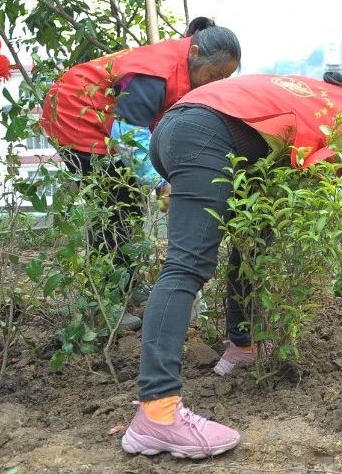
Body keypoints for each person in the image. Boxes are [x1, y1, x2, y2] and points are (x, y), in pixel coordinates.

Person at [121, 70, 342, 459]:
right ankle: (158, 412)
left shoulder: (308, 93)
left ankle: (242, 347)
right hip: (203, 134)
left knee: (253, 238)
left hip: (178, 129)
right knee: (186, 266)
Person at [41, 19, 241, 329]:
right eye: (214, 75)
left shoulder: (184, 67)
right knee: (112, 207)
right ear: (196, 52)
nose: (214, 83)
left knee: (128, 203)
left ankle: (126, 284)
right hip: (77, 114)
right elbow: (128, 132)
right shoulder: (156, 72)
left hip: (107, 122)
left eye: (223, 78)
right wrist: (162, 183)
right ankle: (105, 305)